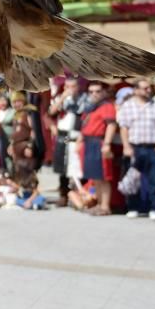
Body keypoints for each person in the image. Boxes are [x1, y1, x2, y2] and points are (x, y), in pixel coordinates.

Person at [118, 78, 155, 221]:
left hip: (152, 147)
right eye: (145, 88)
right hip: (135, 147)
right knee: (133, 178)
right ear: (136, 90)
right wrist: (126, 146)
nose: (149, 90)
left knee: (153, 179)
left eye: (149, 88)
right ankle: (133, 207)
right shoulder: (127, 106)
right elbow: (124, 128)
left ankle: (153, 208)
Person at [78, 81, 118, 216]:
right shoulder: (92, 107)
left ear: (104, 92)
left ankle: (105, 206)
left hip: (99, 143)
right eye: (91, 91)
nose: (94, 94)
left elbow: (111, 126)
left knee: (104, 177)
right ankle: (100, 204)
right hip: (89, 142)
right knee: (95, 177)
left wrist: (106, 144)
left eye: (97, 91)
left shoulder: (107, 106)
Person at [48, 77, 88, 207]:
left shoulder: (84, 98)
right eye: (67, 86)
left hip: (78, 135)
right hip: (63, 136)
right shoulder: (60, 98)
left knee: (79, 168)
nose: (70, 89)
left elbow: (85, 113)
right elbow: (51, 112)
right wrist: (62, 98)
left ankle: (81, 195)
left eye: (73, 86)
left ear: (78, 87)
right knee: (62, 169)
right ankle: (63, 195)